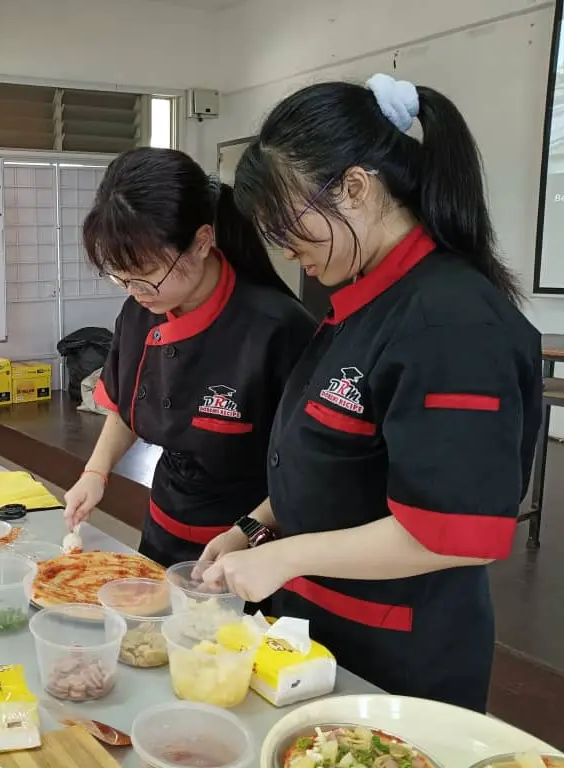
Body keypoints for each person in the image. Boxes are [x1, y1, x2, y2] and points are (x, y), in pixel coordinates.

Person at [198, 73, 543, 712]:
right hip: (318, 635)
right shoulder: (362, 300)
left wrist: (286, 558)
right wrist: (255, 527)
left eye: (289, 225)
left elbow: (450, 532)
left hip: (395, 657)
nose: (287, 250)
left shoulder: (452, 325)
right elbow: (331, 457)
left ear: (354, 188)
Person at [63, 147, 316, 568]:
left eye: (146, 273)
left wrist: (249, 535)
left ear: (201, 242)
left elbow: (307, 467)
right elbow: (127, 407)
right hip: (164, 526)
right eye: (119, 275)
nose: (134, 290)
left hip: (252, 547)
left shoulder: (278, 329)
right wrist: (95, 473)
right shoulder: (141, 308)